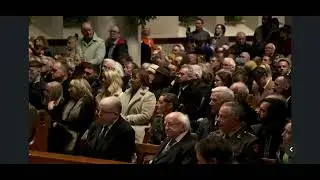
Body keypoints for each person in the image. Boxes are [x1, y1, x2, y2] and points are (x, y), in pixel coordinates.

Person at [81, 96, 135, 162]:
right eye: (98, 110)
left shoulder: (126, 131)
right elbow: (86, 150)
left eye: (103, 111)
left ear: (115, 114)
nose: (98, 114)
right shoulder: (95, 125)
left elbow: (122, 159)